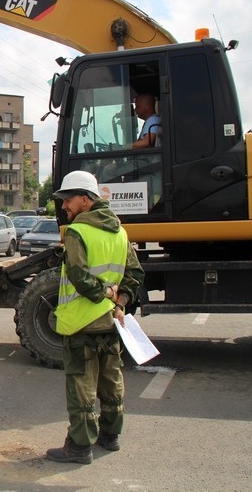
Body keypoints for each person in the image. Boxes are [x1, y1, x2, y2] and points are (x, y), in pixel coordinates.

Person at [46, 170, 144, 464]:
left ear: (86, 200)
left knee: (81, 385)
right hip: (113, 320)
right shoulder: (120, 231)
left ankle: (79, 447)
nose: (64, 206)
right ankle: (110, 436)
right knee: (111, 379)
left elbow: (78, 275)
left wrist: (103, 293)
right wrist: (119, 299)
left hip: (81, 323)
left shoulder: (78, 231)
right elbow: (135, 273)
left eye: (68, 199)